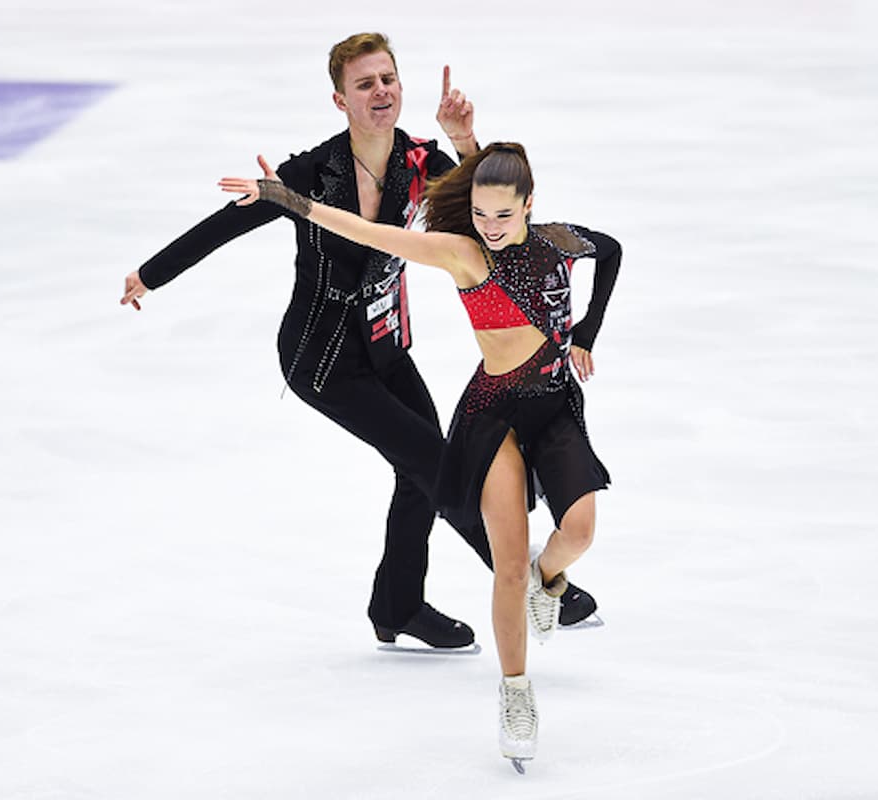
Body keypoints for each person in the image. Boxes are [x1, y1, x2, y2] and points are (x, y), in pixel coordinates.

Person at [119, 33, 599, 650]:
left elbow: (493, 219)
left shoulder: (420, 162)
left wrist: (463, 141)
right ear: (340, 101)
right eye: (365, 84)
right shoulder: (313, 173)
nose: (381, 93)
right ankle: (532, 581)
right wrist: (150, 276)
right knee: (436, 465)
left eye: (389, 80)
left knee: (418, 470)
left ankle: (397, 605)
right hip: (321, 358)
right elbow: (226, 225)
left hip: (386, 344)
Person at [217, 141, 620, 768]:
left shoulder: (558, 243)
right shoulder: (463, 255)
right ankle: (516, 693)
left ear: (529, 207)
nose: (488, 227)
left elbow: (613, 251)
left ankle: (551, 579)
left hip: (557, 404)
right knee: (507, 565)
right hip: (494, 416)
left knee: (580, 532)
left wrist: (587, 333)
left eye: (501, 216)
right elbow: (368, 231)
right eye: (479, 214)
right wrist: (292, 203)